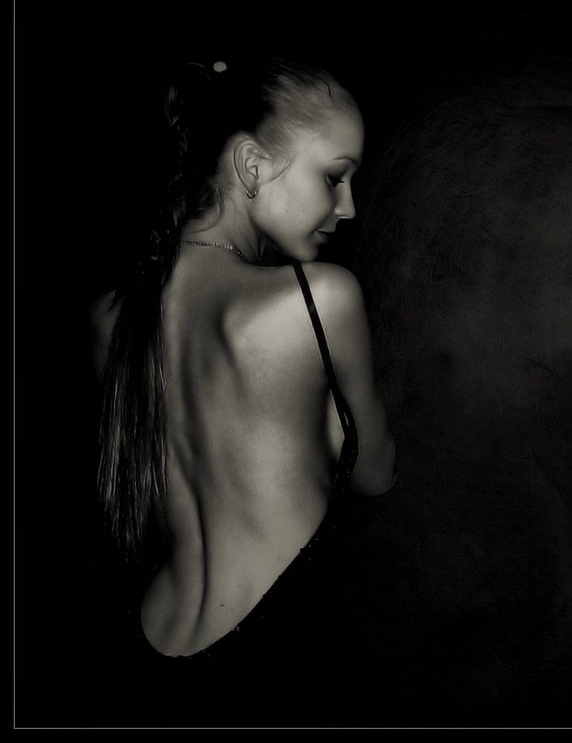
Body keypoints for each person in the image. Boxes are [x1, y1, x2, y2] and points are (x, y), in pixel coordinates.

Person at [87, 56, 396, 727]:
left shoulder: (111, 318)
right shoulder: (319, 299)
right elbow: (376, 475)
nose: (348, 207)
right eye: (334, 177)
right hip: (279, 655)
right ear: (252, 166)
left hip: (149, 641)